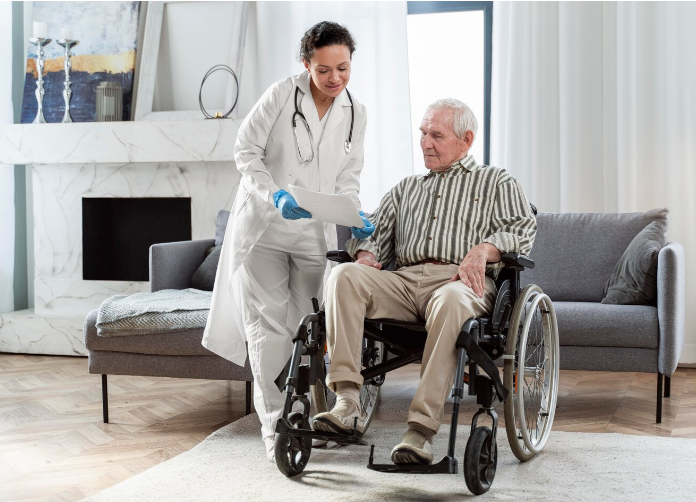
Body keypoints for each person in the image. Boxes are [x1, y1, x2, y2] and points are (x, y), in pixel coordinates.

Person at [311, 98, 537, 464]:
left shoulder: (496, 180)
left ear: (466, 140)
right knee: (345, 275)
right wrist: (366, 252)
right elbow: (372, 230)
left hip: (459, 282)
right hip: (403, 280)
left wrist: (485, 248)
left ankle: (420, 431)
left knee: (450, 301)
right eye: (422, 133)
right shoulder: (406, 188)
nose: (425, 143)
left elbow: (522, 228)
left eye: (436, 135)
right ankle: (347, 402)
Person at [202, 21, 374, 462]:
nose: (334, 79)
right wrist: (273, 193)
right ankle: (275, 425)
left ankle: (309, 412)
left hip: (311, 230)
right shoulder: (281, 95)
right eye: (323, 70)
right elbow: (245, 151)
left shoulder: (356, 112)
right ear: (306, 64)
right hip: (263, 226)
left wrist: (354, 217)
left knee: (309, 327)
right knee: (268, 329)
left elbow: (348, 177)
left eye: (343, 68)